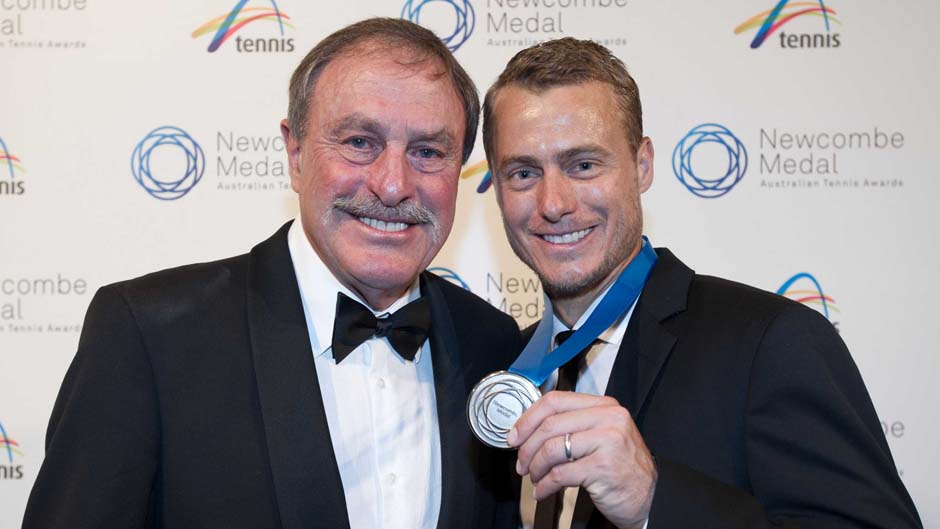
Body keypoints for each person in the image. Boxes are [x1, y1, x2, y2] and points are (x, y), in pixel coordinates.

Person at [23, 18, 521, 529]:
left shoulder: (492, 344)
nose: (393, 185)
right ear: (295, 153)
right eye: (359, 142)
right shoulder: (149, 335)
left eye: (428, 152)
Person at [481, 38, 922, 529]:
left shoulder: (770, 342)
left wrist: (655, 500)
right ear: (497, 189)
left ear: (642, 165)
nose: (554, 202)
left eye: (583, 165)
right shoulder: (506, 373)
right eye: (523, 173)